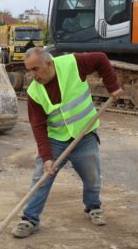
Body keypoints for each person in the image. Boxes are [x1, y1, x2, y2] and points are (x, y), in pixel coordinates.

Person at [12, 47, 123, 238]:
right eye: (28, 71)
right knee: (41, 178)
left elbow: (101, 58)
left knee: (92, 176)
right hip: (57, 140)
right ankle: (29, 219)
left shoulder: (73, 63)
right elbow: (38, 127)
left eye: (35, 69)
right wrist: (46, 157)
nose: (32, 75)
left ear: (49, 63)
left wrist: (112, 86)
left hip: (85, 135)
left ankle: (93, 207)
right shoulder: (34, 92)